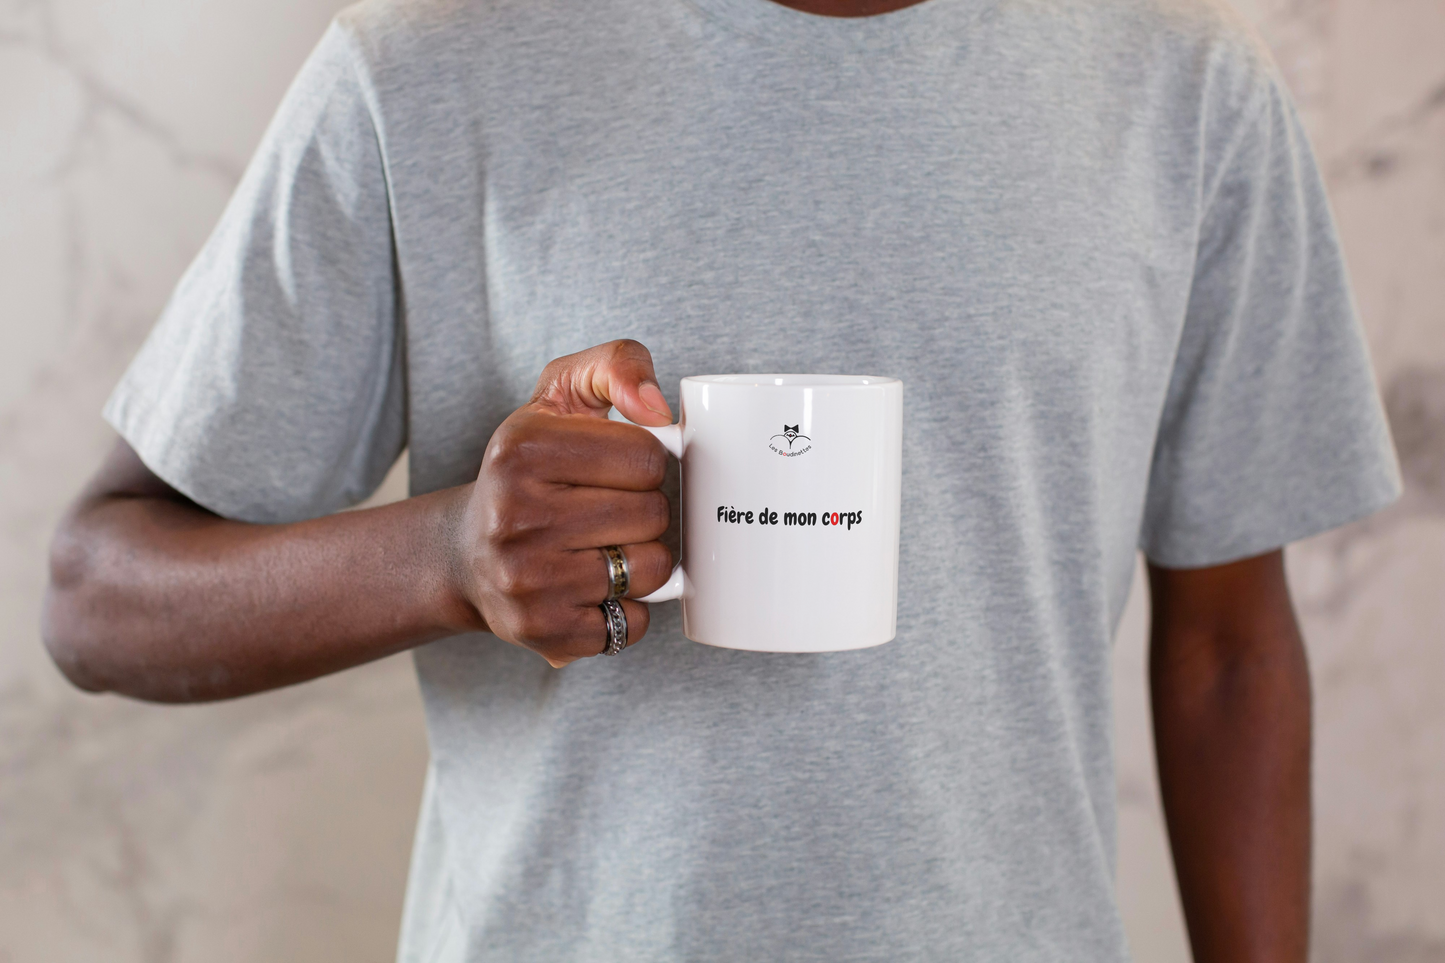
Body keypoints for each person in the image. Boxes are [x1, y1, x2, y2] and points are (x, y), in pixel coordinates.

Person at [42, 0, 1401, 958]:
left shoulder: (1191, 89)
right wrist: (449, 554)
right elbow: (96, 594)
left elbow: (1228, 644)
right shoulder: (427, 67)